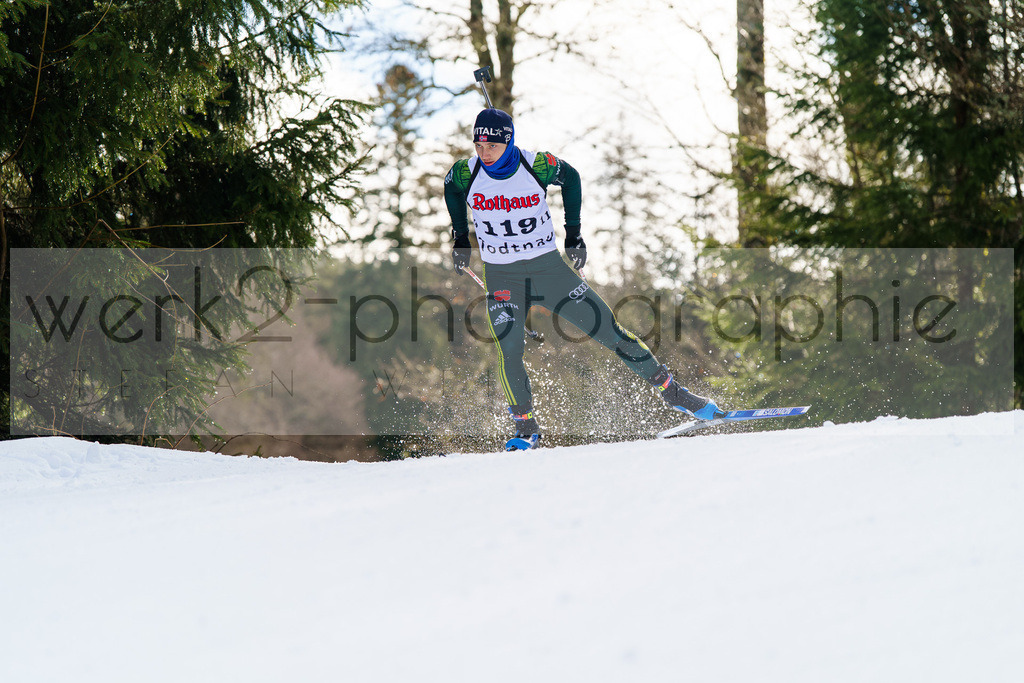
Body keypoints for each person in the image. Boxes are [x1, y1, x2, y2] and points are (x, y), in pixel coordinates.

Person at [444, 108, 723, 450]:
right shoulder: (466, 172)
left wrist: (573, 234)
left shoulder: (537, 165)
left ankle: (675, 394)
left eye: (491, 145)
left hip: (549, 270)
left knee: (609, 330)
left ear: (508, 141)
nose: (483, 152)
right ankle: (525, 428)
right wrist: (460, 237)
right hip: (502, 274)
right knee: (510, 350)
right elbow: (451, 188)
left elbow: (572, 178)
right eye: (478, 144)